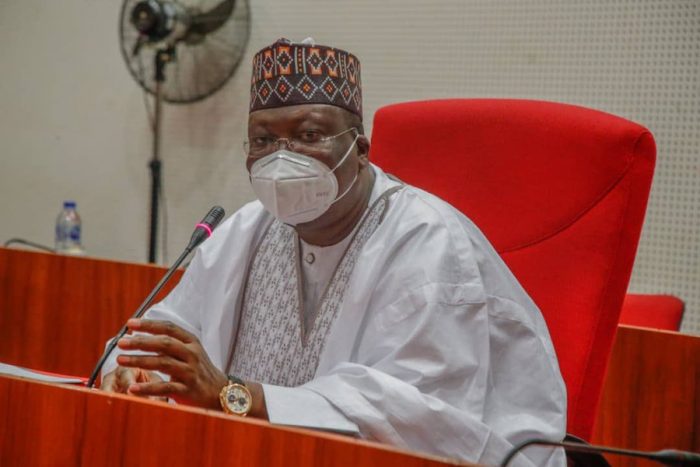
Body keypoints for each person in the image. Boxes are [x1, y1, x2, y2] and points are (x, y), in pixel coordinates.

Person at [101, 38, 566, 466]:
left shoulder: (427, 240)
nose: (281, 158)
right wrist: (130, 373)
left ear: (360, 149)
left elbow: (418, 420)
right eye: (263, 141)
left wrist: (233, 395)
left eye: (308, 135)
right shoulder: (244, 229)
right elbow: (166, 331)